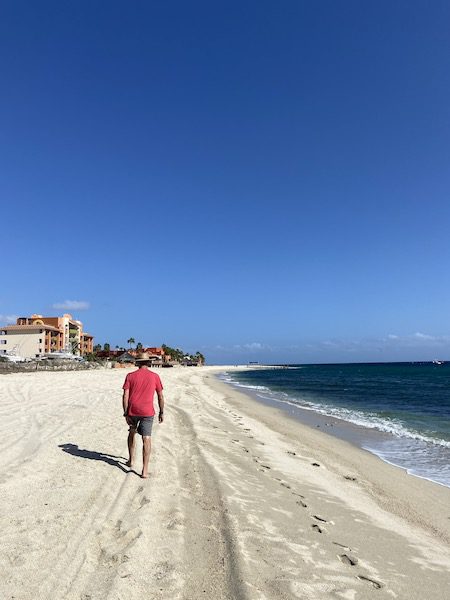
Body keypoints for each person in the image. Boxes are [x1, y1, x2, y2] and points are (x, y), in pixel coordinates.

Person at [122, 352, 165, 478]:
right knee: (146, 438)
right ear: (148, 362)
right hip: (147, 412)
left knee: (131, 432)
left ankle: (131, 460)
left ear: (137, 362)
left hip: (133, 410)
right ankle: (145, 470)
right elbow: (160, 396)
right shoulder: (155, 376)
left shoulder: (130, 376)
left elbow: (125, 396)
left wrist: (125, 412)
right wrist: (162, 411)